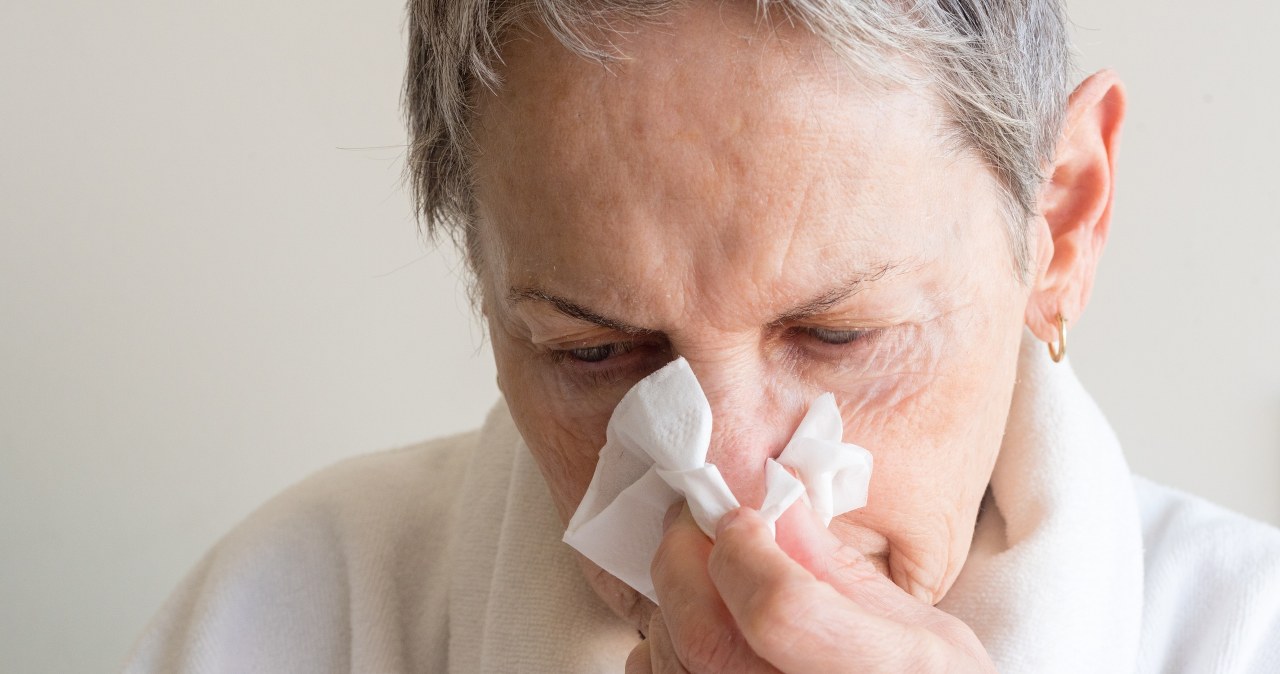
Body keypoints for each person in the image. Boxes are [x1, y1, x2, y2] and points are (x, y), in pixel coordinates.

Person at [124, 0, 1280, 671]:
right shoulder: (289, 615)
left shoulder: (1242, 632)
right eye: (595, 354)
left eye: (838, 333)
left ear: (1063, 219)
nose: (726, 494)